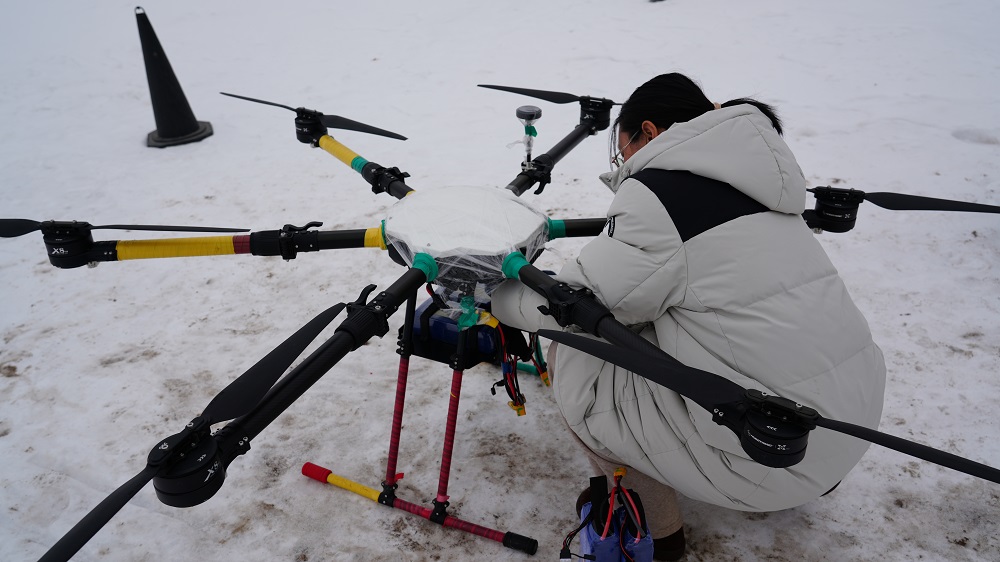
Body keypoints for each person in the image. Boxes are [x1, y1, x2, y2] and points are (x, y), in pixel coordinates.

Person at [490, 73, 887, 561]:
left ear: (650, 133)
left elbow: (571, 306)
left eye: (623, 150)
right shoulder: (764, 183)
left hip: (764, 456)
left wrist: (498, 296)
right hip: (843, 427)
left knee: (578, 352)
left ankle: (657, 532)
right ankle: (809, 480)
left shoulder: (662, 196)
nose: (624, 164)